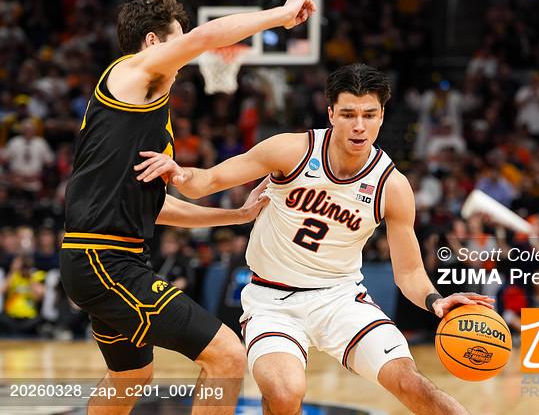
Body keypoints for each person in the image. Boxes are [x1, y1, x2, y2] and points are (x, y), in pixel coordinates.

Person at [136, 64, 495, 414]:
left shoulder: (392, 186)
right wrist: (180, 174)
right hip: (272, 300)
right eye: (348, 114)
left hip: (340, 298)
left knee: (410, 382)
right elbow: (209, 181)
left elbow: (410, 272)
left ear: (382, 116)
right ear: (331, 114)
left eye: (369, 115)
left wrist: (435, 300)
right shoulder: (292, 151)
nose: (359, 125)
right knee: (284, 393)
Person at [59, 0, 316, 415]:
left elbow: (156, 208)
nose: (187, 53)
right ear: (152, 42)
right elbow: (208, 36)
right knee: (227, 355)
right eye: (179, 40)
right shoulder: (131, 71)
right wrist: (281, 15)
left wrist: (236, 215)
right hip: (103, 260)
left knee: (131, 376)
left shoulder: (142, 111)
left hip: (104, 259)